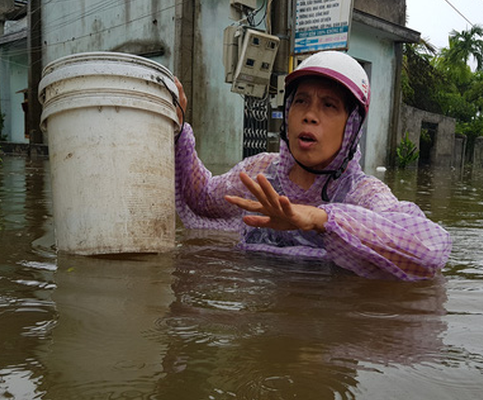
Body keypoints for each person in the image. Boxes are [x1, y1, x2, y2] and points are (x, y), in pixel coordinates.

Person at [173, 50, 451, 280]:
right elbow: (201, 199)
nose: (309, 116)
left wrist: (321, 219)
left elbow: (427, 254)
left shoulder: (362, 193)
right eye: (301, 101)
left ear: (351, 126)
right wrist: (176, 127)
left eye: (329, 105)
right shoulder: (262, 172)